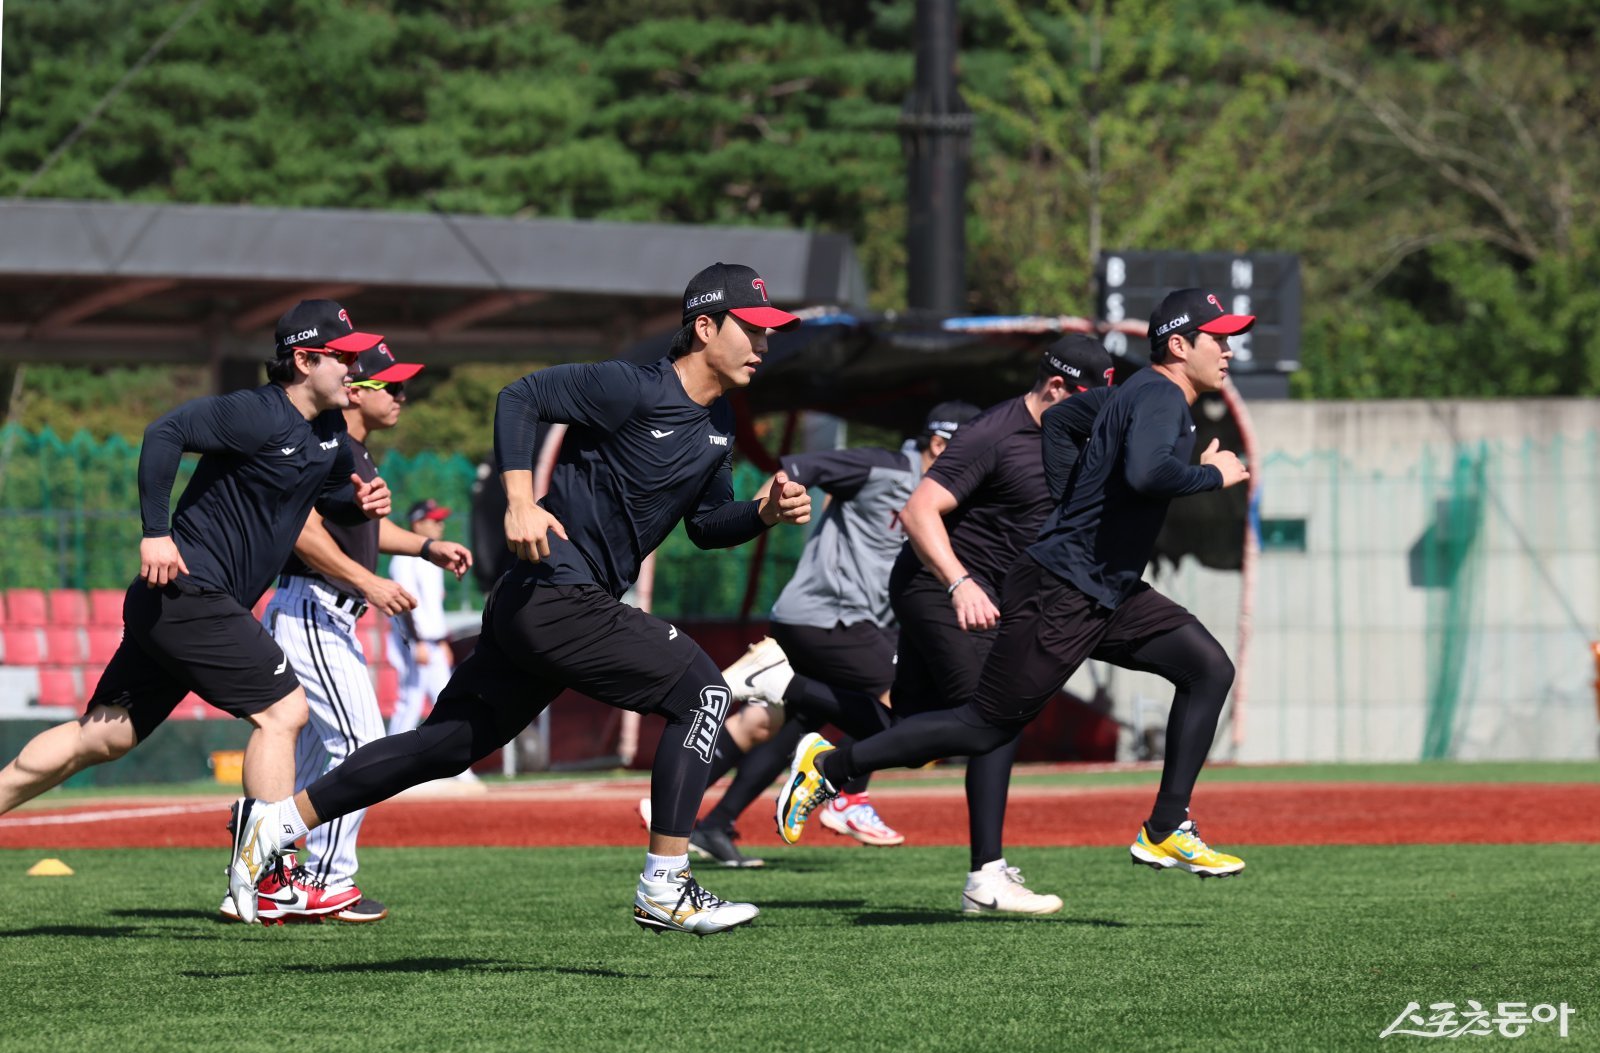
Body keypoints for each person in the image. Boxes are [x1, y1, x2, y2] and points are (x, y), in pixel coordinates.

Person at [227, 262, 813, 935]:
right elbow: (520, 396)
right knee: (704, 694)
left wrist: (762, 513)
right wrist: (519, 498)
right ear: (705, 327)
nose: (764, 346)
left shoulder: (715, 425)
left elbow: (709, 527)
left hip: (539, 606)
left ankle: (274, 823)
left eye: (771, 332)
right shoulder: (631, 386)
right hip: (557, 595)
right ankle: (666, 885)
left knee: (443, 747)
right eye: (754, 329)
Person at [778, 289, 1253, 881]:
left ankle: (1166, 828)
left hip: (1110, 587)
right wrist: (1213, 474)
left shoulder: (1134, 393)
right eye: (1220, 338)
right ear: (1179, 345)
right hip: (1066, 590)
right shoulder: (1157, 393)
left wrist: (1066, 495)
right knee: (984, 726)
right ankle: (832, 767)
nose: (1230, 350)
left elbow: (1059, 420)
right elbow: (1147, 473)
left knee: (1207, 667)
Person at [0, 299, 392, 924]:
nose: (356, 367)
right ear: (303, 359)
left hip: (184, 605)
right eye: (343, 357)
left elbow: (325, 499)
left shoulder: (328, 436)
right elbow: (165, 433)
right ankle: (272, 875)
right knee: (284, 712)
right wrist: (155, 531)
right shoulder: (255, 413)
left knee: (102, 737)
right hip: (187, 590)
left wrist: (361, 501)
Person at [219, 343, 473, 924]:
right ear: (358, 390)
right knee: (360, 743)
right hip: (312, 607)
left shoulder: (356, 453)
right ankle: (325, 880)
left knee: (312, 758)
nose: (404, 397)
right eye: (394, 387)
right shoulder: (324, 445)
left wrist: (425, 546)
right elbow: (302, 530)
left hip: (326, 610)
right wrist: (370, 584)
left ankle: (263, 876)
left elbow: (362, 533)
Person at [684, 400, 982, 868]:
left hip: (855, 623)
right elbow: (797, 467)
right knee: (905, 722)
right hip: (826, 617)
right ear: (940, 444)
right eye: (971, 449)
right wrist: (762, 512)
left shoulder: (945, 498)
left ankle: (714, 823)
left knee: (791, 727)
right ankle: (846, 796)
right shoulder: (882, 467)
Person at [387, 499, 462, 738]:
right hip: (414, 642)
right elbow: (405, 604)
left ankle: (460, 768)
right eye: (434, 520)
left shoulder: (433, 560)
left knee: (448, 700)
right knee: (410, 702)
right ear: (417, 523)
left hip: (433, 643)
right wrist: (417, 641)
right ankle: (388, 763)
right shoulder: (404, 558)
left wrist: (441, 642)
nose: (440, 525)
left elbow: (432, 609)